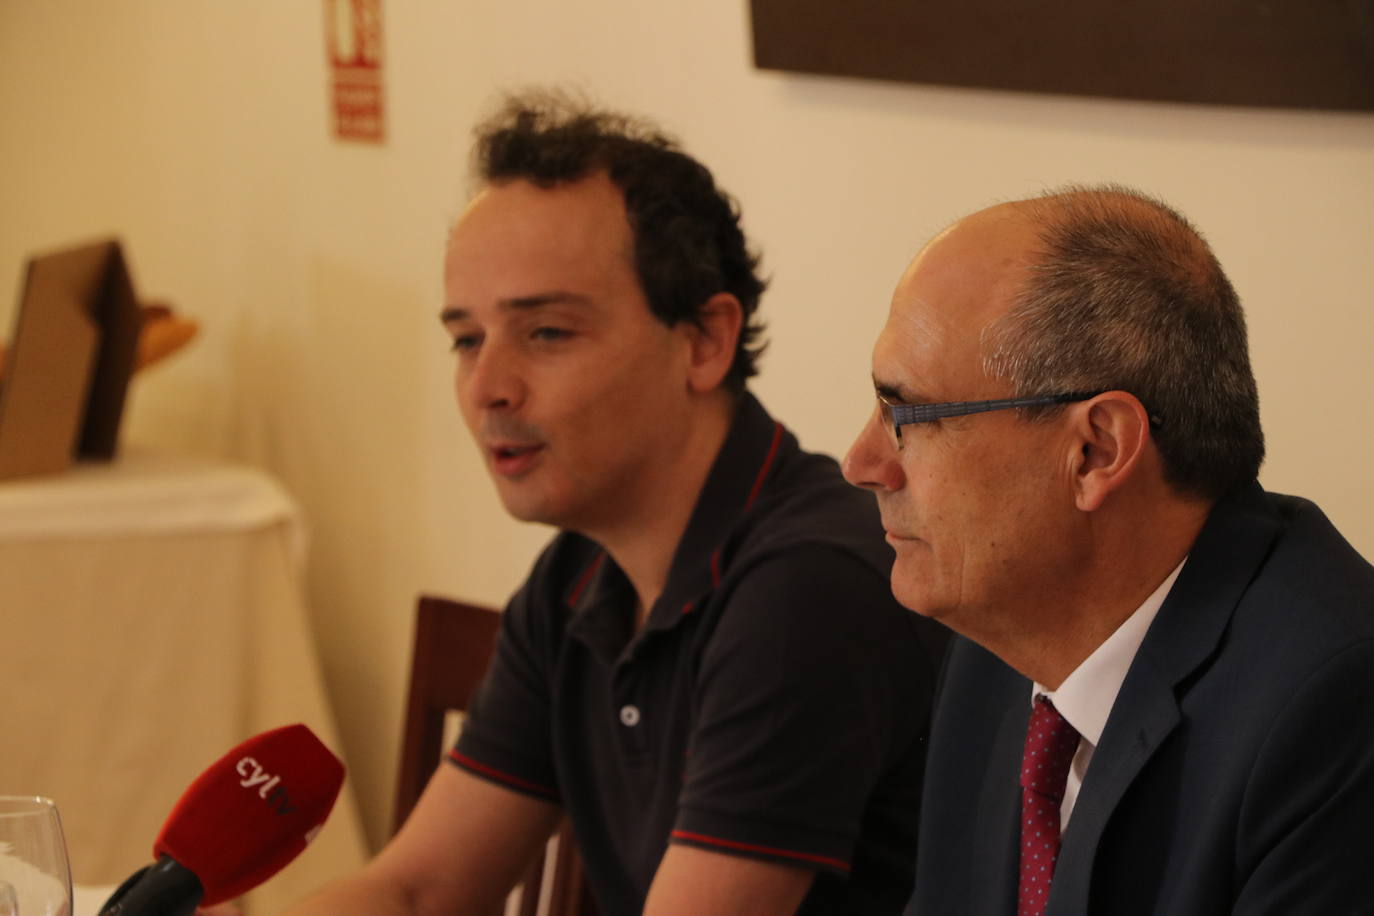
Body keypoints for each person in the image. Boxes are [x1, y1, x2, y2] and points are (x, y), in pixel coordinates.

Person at [284, 92, 947, 916]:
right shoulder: (579, 575)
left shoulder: (806, 588)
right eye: (466, 339)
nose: (487, 387)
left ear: (705, 341)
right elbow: (418, 891)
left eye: (547, 333)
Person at [843, 184, 1374, 915]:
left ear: (1096, 450)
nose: (863, 463)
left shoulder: (1333, 707)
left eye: (907, 415)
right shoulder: (994, 650)